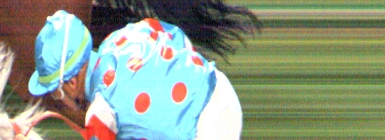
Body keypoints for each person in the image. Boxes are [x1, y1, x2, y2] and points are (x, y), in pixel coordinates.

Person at [27, 11, 242, 140]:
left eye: (56, 93)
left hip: (204, 130)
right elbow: (177, 36)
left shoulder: (99, 114)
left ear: (72, 83)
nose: (60, 100)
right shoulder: (123, 35)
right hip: (221, 90)